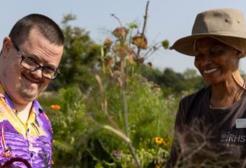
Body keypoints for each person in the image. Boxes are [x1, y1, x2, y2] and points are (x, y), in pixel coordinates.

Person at [166, 8, 246, 167]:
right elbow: (175, 162)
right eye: (199, 55)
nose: (204, 62)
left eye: (216, 51)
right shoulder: (188, 106)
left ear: (238, 51)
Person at [0, 14, 64, 167]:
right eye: (31, 60)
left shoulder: (43, 122)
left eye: (48, 69)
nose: (38, 74)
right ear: (7, 47)